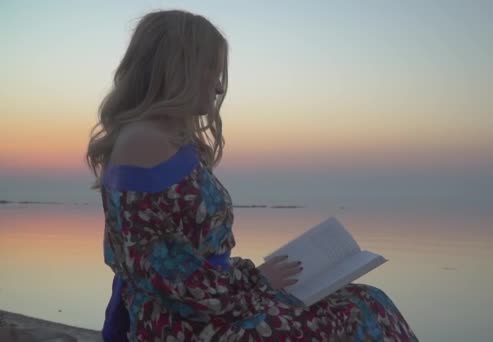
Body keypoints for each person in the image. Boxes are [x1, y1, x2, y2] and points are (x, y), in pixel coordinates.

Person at [86, 9, 418, 341]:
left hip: (211, 306)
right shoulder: (144, 143)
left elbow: (183, 262)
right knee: (361, 311)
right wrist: (258, 282)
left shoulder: (166, 140)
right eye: (211, 70)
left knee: (367, 299)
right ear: (178, 68)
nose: (218, 87)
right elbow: (162, 274)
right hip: (186, 326)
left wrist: (253, 279)